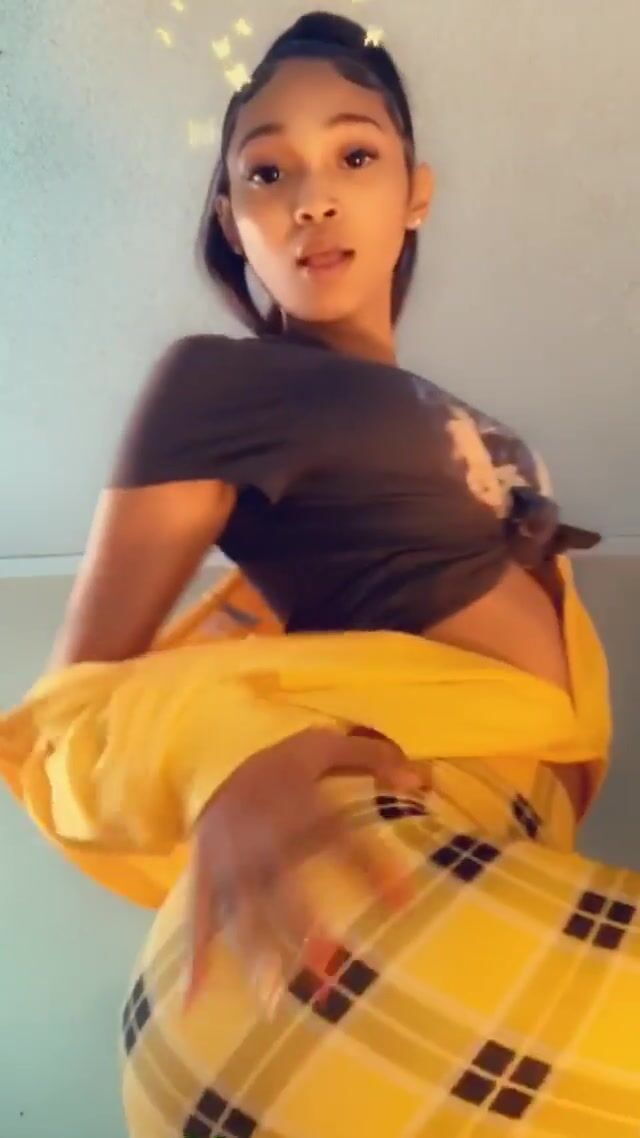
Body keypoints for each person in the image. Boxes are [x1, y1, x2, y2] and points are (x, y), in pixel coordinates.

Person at [0, 10, 636, 1137]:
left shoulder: (457, 417)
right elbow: (59, 720)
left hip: (477, 872)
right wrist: (233, 752)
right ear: (231, 220)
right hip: (343, 914)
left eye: (354, 154)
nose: (312, 198)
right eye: (266, 171)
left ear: (415, 193)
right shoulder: (217, 385)